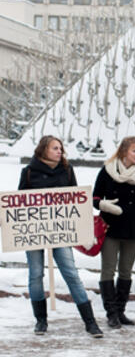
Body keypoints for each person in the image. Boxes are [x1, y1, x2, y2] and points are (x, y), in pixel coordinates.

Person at [18, 135, 103, 338]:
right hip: (35, 232)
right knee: (36, 274)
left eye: (61, 148)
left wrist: (83, 229)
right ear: (44, 150)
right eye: (55, 148)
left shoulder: (67, 170)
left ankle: (90, 322)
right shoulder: (29, 172)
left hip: (60, 231)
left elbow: (76, 200)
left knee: (71, 273)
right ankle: (41, 320)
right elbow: (20, 201)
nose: (60, 152)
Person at [93, 136, 135, 329]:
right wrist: (102, 204)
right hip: (110, 228)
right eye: (134, 150)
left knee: (126, 271)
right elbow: (94, 196)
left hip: (133, 230)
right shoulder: (108, 170)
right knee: (108, 269)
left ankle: (120, 311)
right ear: (123, 152)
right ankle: (111, 313)